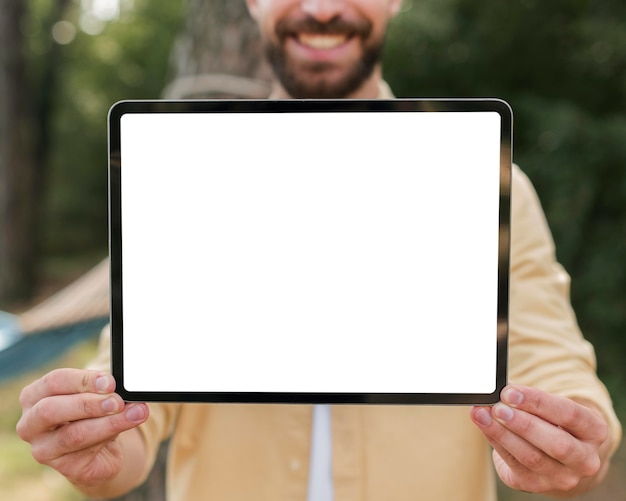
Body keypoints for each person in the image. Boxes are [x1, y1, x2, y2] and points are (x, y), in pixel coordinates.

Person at [17, 1, 621, 500]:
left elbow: (550, 356)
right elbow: (134, 390)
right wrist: (93, 437)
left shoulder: (483, 182)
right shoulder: (190, 174)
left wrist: (571, 433)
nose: (324, 7)